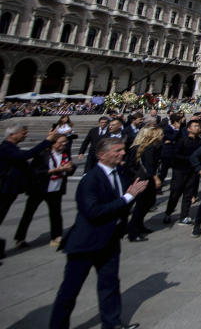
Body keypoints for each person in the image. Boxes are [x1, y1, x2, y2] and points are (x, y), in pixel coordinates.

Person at [49, 137, 147, 329]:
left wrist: (130, 197)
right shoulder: (90, 179)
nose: (122, 153)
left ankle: (112, 324)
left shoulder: (120, 172)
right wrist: (128, 197)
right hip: (85, 243)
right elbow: (93, 212)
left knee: (109, 286)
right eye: (117, 150)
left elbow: (124, 200)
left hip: (109, 241)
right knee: (69, 292)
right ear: (102, 155)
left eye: (123, 149)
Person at [0, 124, 58, 258]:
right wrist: (47, 141)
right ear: (12, 135)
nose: (25, 135)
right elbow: (26, 155)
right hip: (4, 190)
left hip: (9, 190)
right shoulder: (6, 148)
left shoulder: (11, 148)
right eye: (23, 133)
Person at [13, 133, 75, 247]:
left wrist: (70, 168)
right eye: (61, 142)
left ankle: (56, 236)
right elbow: (34, 172)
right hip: (39, 188)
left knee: (56, 214)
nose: (64, 144)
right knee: (28, 213)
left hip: (56, 188)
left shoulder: (65, 155)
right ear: (53, 143)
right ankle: (20, 238)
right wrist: (54, 170)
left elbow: (70, 169)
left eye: (65, 142)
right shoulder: (42, 154)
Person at [126, 126, 163, 242]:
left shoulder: (149, 147)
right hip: (144, 179)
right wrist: (156, 178)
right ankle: (133, 231)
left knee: (148, 202)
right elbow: (149, 166)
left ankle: (139, 225)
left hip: (142, 178)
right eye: (160, 134)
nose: (162, 136)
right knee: (141, 205)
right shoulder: (148, 148)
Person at [163, 119, 201, 224]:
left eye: (198, 126)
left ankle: (184, 216)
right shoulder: (182, 140)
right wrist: (189, 158)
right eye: (194, 126)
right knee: (175, 194)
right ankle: (168, 213)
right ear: (189, 128)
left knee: (188, 194)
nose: (197, 128)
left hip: (192, 172)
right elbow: (175, 155)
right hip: (180, 171)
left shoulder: (200, 141)